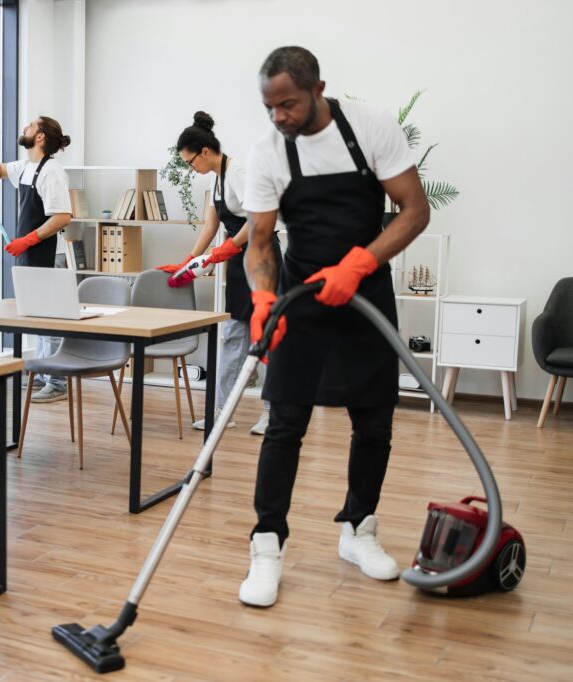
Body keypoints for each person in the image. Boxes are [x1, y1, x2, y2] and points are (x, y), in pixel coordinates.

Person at [239, 47, 430, 607]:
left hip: (365, 289)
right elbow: (258, 241)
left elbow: (415, 210)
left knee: (374, 420)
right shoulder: (268, 152)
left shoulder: (369, 127)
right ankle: (267, 545)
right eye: (269, 107)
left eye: (289, 105)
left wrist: (361, 264)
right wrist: (263, 298)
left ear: (319, 88)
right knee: (285, 421)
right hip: (302, 294)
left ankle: (358, 529)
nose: (279, 118)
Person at [157, 112, 277, 436]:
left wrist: (225, 250)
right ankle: (223, 409)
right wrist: (191, 260)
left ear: (205, 152)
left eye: (190, 161)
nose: (190, 168)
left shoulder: (238, 172)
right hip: (239, 259)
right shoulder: (215, 177)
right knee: (233, 334)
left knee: (266, 335)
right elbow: (212, 225)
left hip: (263, 256)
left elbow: (259, 220)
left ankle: (272, 413)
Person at [0, 116, 73, 402]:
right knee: (35, 318)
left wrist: (29, 239)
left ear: (40, 137)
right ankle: (44, 374)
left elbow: (62, 217)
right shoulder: (27, 167)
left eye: (30, 125)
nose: (24, 128)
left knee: (49, 320)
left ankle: (57, 382)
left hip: (46, 255)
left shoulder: (51, 171)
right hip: (28, 255)